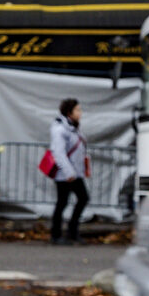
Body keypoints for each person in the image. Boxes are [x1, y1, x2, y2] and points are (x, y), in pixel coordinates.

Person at [48, 98, 90, 245]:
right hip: (66, 174)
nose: (80, 113)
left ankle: (72, 230)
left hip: (75, 172)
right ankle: (56, 234)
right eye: (78, 110)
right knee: (63, 202)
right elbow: (58, 153)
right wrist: (68, 172)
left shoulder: (73, 128)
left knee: (82, 198)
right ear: (69, 112)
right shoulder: (60, 129)